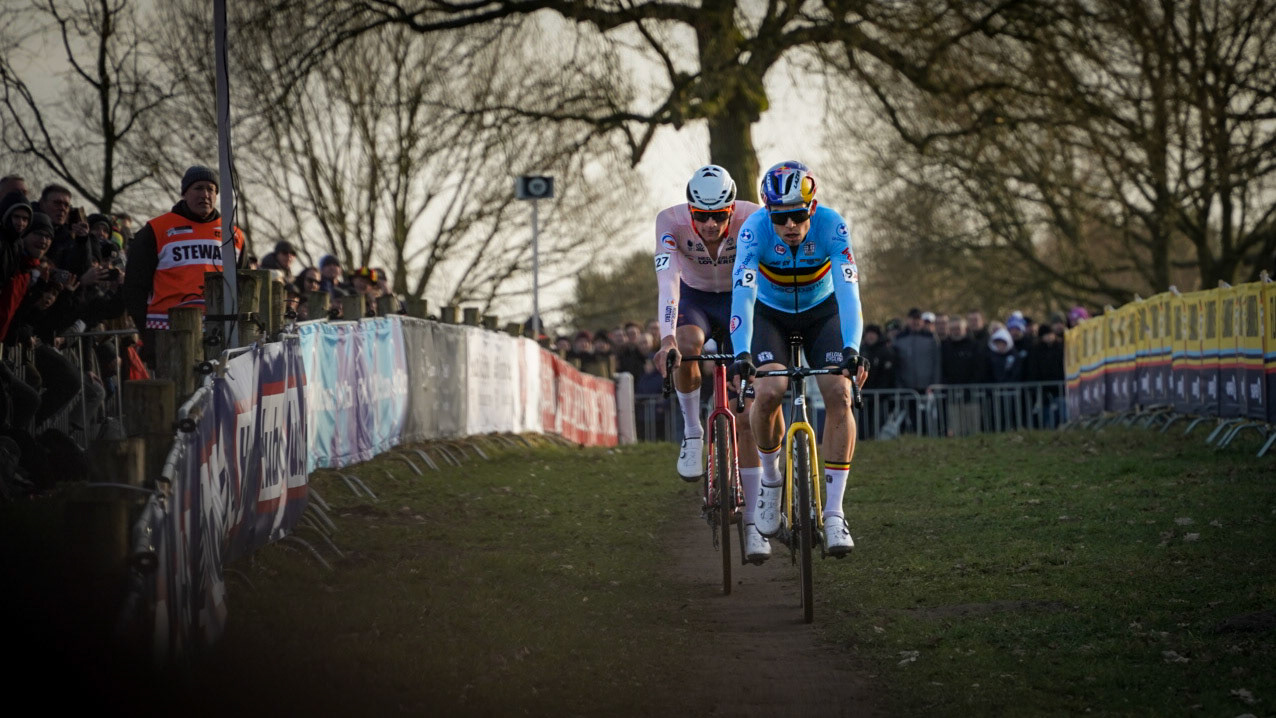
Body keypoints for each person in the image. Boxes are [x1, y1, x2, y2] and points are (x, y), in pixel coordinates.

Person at [727, 161, 868, 561]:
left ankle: (835, 513)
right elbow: (743, 294)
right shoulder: (753, 230)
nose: (789, 225)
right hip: (770, 315)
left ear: (812, 207)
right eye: (780, 217)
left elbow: (848, 292)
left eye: (798, 215)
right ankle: (771, 481)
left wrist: (852, 347)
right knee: (769, 391)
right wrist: (741, 352)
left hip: (822, 313)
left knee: (840, 393)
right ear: (767, 212)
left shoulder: (832, 226)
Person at [651, 164, 763, 485]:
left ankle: (757, 493)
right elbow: (668, 282)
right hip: (694, 298)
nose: (710, 224)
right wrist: (667, 339)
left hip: (739, 297)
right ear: (690, 210)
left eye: (719, 215)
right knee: (686, 347)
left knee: (746, 411)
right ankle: (692, 431)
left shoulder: (753, 217)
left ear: (732, 209)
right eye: (701, 216)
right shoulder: (670, 221)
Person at [122, 165, 246, 364]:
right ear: (185, 193)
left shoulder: (234, 234)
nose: (205, 194)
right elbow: (134, 286)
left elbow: (245, 286)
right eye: (198, 188)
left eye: (210, 189)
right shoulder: (156, 229)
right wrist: (147, 333)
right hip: (168, 331)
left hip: (221, 331)